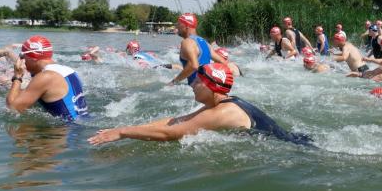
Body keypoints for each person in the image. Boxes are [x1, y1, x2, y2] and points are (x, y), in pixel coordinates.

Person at [89, 63, 311, 145]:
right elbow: (176, 122)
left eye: (197, 81)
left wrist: (123, 133)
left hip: (296, 150)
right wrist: (128, 127)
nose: (192, 85)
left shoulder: (223, 112)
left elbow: (170, 134)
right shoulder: (221, 103)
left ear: (211, 86)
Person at [6, 36, 89, 121]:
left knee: (17, 128)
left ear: (33, 57)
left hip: (65, 128)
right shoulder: (69, 70)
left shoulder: (45, 77)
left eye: (22, 56)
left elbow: (12, 108)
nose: (22, 60)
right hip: (82, 122)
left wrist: (17, 76)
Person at [171, 13, 226, 85]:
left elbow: (193, 65)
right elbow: (222, 61)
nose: (177, 27)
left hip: (195, 88)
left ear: (186, 26)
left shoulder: (187, 42)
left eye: (179, 24)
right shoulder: (205, 42)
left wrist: (174, 82)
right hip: (207, 86)